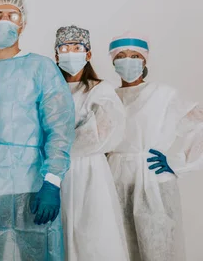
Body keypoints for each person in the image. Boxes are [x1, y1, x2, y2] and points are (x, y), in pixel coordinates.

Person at [0, 0, 75, 261]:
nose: (4, 21)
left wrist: (52, 182)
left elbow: (59, 129)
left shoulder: (42, 68)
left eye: (12, 15)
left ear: (22, 23)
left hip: (31, 184)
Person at [107, 32, 203, 261]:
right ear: (112, 61)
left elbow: (198, 125)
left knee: (157, 250)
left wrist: (178, 162)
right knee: (118, 248)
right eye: (121, 56)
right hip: (113, 181)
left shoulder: (163, 95)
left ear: (145, 60)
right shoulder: (109, 96)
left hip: (151, 182)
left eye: (134, 55)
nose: (128, 60)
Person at [54, 25, 129, 261]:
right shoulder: (49, 89)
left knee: (93, 237)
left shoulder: (101, 90)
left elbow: (101, 133)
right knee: (59, 237)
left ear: (88, 54)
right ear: (56, 55)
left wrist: (56, 144)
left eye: (77, 48)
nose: (70, 53)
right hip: (53, 174)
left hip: (89, 173)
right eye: (64, 48)